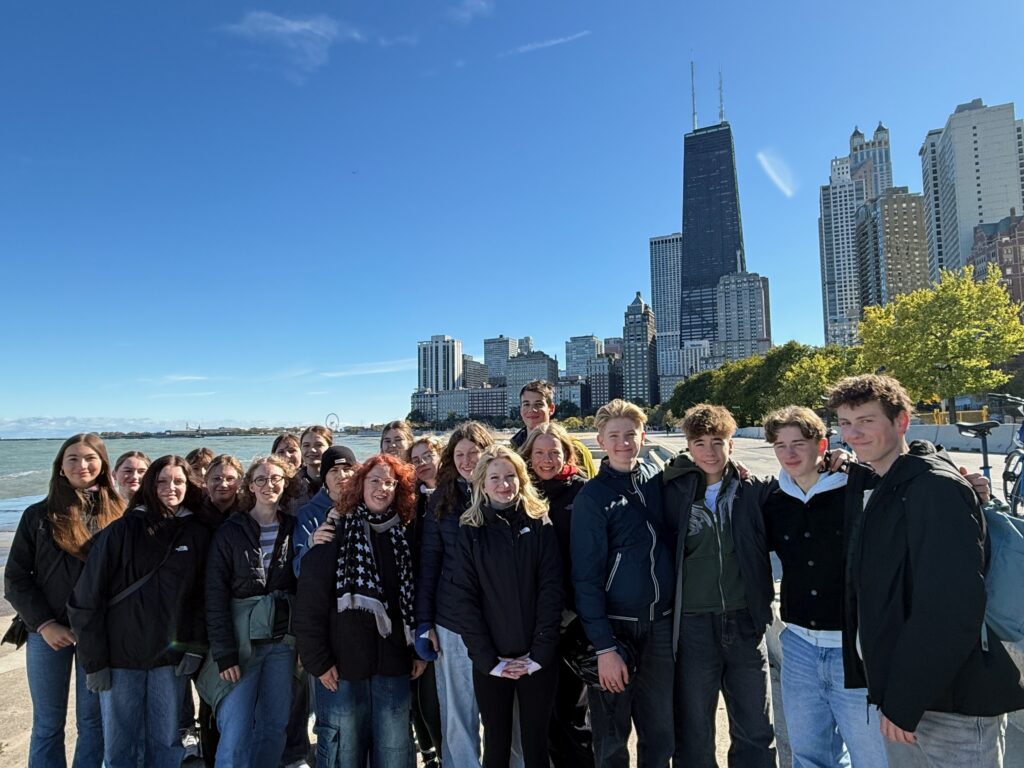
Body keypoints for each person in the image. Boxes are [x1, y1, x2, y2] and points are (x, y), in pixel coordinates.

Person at [827, 374, 1024, 767]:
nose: (852, 434)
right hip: (911, 698)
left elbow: (950, 608)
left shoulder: (933, 487)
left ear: (901, 421)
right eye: (845, 423)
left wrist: (904, 701)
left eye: (866, 421)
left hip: (948, 707)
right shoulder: (888, 482)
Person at [760, 406, 887, 767]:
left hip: (854, 649)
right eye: (780, 446)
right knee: (809, 756)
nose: (789, 454)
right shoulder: (774, 500)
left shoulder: (858, 488)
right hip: (799, 647)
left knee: (872, 758)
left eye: (798, 444)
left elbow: (911, 471)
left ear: (821, 445)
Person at [68, 455, 210, 768]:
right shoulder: (121, 531)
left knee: (166, 743)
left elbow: (202, 599)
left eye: (178, 481)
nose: (170, 488)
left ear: (188, 486)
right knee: (120, 746)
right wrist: (94, 662)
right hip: (120, 658)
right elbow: (86, 599)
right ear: (149, 486)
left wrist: (195, 647)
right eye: (162, 481)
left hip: (170, 659)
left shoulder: (197, 533)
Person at [293, 453, 427, 768]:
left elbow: (415, 599)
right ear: (360, 485)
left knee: (394, 753)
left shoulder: (403, 535)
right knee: (343, 753)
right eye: (374, 481)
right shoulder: (333, 531)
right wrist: (318, 661)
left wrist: (418, 651)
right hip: (341, 669)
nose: (382, 488)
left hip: (393, 664)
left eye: (390, 483)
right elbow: (309, 604)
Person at [662, 403, 777, 768]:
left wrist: (838, 458)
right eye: (700, 443)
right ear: (688, 446)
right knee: (694, 730)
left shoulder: (752, 490)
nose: (709, 452)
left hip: (744, 621)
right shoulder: (670, 490)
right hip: (692, 625)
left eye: (717, 442)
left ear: (731, 444)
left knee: (755, 728)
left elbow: (803, 484)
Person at [5, 433, 124, 768]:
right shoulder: (38, 515)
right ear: (60, 467)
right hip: (47, 633)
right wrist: (44, 624)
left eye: (90, 458)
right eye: (72, 458)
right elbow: (15, 578)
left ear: (103, 465)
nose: (81, 465)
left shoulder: (119, 514)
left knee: (93, 722)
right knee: (47, 722)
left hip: (98, 633)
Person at [570, 399, 675, 768]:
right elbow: (585, 579)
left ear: (643, 436)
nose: (623, 443)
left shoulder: (657, 480)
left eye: (630, 434)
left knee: (659, 734)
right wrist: (603, 647)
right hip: (616, 629)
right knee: (612, 739)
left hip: (660, 625)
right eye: (613, 436)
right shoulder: (592, 497)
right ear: (600, 440)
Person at [454, 445, 563, 768]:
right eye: (495, 478)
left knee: (536, 744)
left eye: (510, 476)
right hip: (492, 660)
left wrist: (539, 653)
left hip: (538, 657)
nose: (504, 484)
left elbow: (551, 589)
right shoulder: (470, 531)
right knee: (496, 744)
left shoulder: (540, 523)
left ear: (521, 479)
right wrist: (489, 660)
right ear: (482, 484)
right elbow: (465, 600)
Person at [201, 454, 298, 768]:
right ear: (250, 487)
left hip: (281, 643)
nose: (269, 485)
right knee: (236, 730)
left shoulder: (293, 528)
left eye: (276, 479)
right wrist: (224, 653)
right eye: (261, 479)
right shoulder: (231, 531)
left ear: (285, 483)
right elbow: (214, 595)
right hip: (241, 643)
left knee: (275, 725)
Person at [415, 421, 495, 767]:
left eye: (473, 453)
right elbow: (429, 564)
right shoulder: (442, 500)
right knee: (458, 714)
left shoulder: (506, 491)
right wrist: (424, 623)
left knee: (503, 715)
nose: (466, 461)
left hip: (500, 620)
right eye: (459, 454)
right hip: (451, 619)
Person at [519, 423, 594, 767]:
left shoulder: (583, 492)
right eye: (539, 453)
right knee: (542, 715)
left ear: (568, 455)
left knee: (573, 714)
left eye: (554, 452)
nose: (547, 460)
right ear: (528, 457)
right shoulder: (520, 495)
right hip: (534, 622)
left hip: (574, 621)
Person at [407, 436, 446, 768]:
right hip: (421, 605)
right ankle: (433, 754)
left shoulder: (459, 493)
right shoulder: (412, 503)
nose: (421, 463)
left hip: (453, 608)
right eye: (415, 459)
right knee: (424, 692)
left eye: (427, 455)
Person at [510, 380, 598, 478]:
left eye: (538, 404)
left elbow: (591, 484)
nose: (532, 410)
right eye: (526, 404)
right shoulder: (512, 450)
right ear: (520, 409)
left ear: (551, 408)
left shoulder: (576, 449)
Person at [293, 445, 360, 575]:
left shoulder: (366, 507)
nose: (341, 475)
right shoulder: (308, 514)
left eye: (347, 469)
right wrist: (311, 543)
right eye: (334, 470)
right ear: (324, 478)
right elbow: (297, 570)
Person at [201, 454, 243, 527]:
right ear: (206, 481)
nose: (223, 484)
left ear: (240, 482)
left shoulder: (248, 512)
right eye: (216, 478)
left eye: (230, 479)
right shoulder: (195, 512)